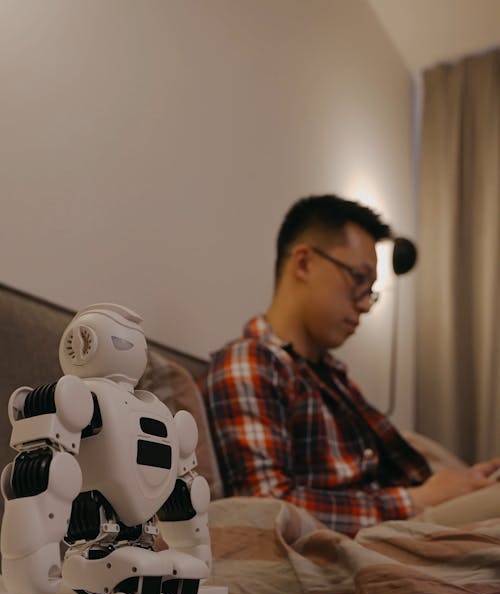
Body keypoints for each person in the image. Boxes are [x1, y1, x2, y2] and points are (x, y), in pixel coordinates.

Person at [199, 195, 500, 537]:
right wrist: (416, 499)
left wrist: (459, 483)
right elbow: (264, 509)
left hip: (402, 518)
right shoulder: (251, 361)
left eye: (370, 290)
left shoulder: (330, 375)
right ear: (303, 263)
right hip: (378, 535)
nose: (365, 305)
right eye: (358, 278)